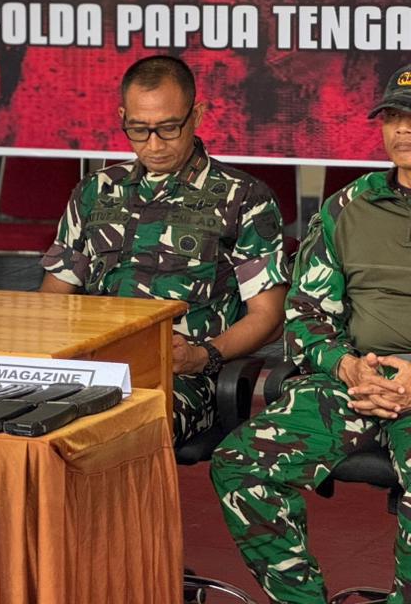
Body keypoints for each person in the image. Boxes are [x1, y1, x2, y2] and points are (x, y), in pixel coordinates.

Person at [212, 63, 411, 604]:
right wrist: (349, 366)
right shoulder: (348, 207)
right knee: (241, 465)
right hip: (354, 379)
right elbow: (306, 315)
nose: (401, 129)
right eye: (392, 116)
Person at [40, 55, 288, 445]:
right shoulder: (96, 190)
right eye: (138, 130)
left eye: (169, 128)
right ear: (122, 117)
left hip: (181, 377)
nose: (154, 145)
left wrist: (204, 356)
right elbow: (53, 298)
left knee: (106, 435)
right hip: (92, 364)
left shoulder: (244, 198)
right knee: (17, 423)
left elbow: (269, 317)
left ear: (197, 115)